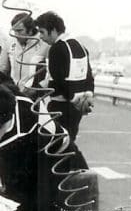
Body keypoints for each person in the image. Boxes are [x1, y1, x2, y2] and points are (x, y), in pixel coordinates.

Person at [35, 11, 95, 142]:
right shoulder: (80, 46)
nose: (40, 36)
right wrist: (84, 98)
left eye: (42, 32)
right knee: (69, 140)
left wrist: (37, 89)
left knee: (54, 144)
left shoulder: (56, 48)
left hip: (60, 105)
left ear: (54, 30)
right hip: (78, 107)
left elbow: (58, 81)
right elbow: (89, 76)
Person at [0, 12, 49, 94]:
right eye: (14, 31)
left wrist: (38, 88)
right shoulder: (10, 43)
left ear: (30, 30)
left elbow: (53, 74)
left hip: (36, 94)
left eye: (20, 31)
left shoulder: (45, 43)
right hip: (13, 93)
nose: (16, 35)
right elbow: (1, 68)